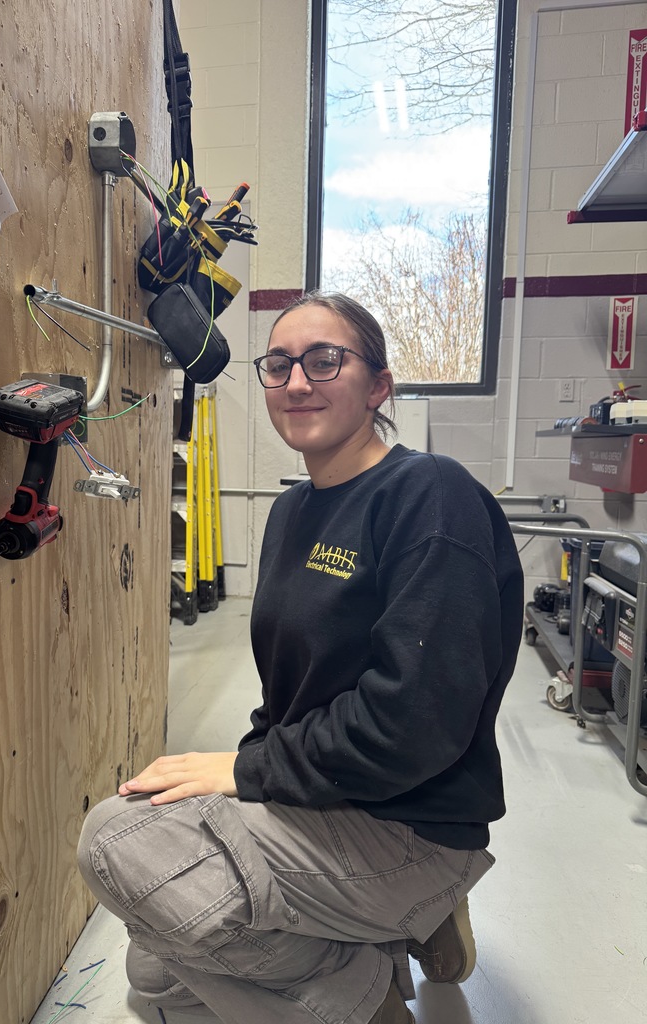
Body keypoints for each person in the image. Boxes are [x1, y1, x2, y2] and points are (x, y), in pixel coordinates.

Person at [77, 291, 524, 1024]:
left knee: (116, 842)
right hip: (320, 803)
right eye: (278, 364)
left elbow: (415, 722)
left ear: (378, 385)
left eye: (324, 360)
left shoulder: (429, 495)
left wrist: (245, 771)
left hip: (410, 823)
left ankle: (369, 990)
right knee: (156, 972)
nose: (295, 381)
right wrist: (247, 776)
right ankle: (376, 942)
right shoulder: (291, 513)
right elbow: (292, 693)